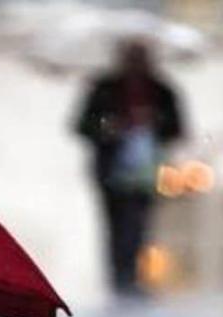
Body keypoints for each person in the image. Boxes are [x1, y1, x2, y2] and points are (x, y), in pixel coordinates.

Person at [75, 38, 185, 296]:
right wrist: (110, 127)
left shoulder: (161, 90)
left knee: (139, 224)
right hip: (111, 168)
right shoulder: (104, 88)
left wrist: (153, 122)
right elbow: (83, 125)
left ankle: (134, 275)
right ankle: (119, 277)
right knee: (115, 224)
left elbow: (176, 127)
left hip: (147, 170)